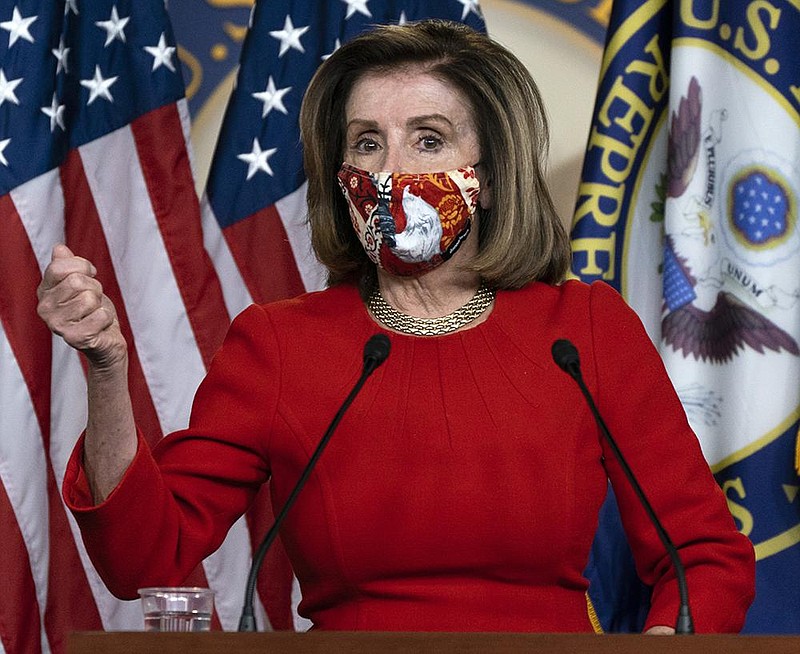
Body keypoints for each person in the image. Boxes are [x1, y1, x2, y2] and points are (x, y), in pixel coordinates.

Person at [37, 20, 754, 633]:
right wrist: (105, 370)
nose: (391, 172)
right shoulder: (280, 344)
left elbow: (702, 556)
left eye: (429, 140)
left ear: (492, 173)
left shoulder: (583, 333)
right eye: (368, 144)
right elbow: (142, 560)